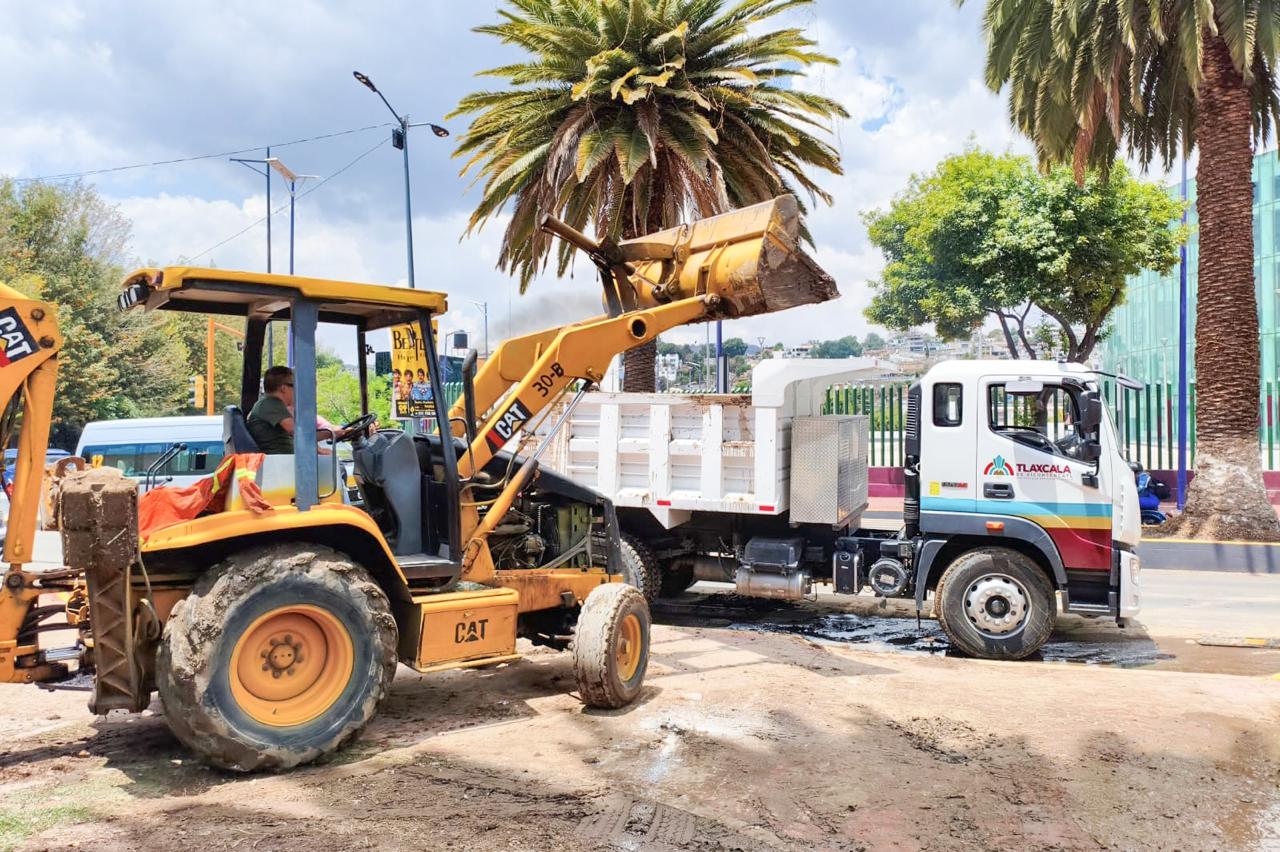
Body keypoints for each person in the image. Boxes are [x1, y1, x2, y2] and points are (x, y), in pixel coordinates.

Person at [247, 366, 351, 454]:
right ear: (283, 388)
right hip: (282, 465)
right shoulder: (271, 404)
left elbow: (301, 435)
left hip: (286, 461)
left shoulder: (270, 404)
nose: (297, 391)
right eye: (294, 386)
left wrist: (333, 433)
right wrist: (330, 433)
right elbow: (299, 433)